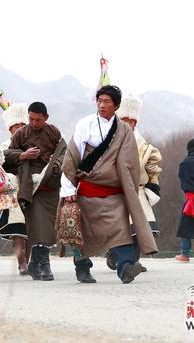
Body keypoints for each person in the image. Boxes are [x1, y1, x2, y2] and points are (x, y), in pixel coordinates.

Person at [60, 85, 157, 284]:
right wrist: (68, 188)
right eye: (99, 101)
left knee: (120, 230)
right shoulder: (85, 124)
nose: (101, 105)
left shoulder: (124, 130)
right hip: (87, 189)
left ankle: (126, 268)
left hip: (114, 192)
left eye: (106, 101)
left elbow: (129, 163)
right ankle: (83, 268)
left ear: (116, 106)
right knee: (83, 233)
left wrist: (129, 188)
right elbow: (72, 157)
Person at [6, 102, 67, 281]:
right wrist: (23, 155)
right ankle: (45, 266)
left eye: (38, 120)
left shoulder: (53, 132)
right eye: (31, 119)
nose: (33, 123)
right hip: (30, 187)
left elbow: (63, 152)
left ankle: (34, 265)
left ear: (46, 117)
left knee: (47, 226)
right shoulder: (21, 133)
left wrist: (56, 163)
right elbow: (6, 155)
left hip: (50, 186)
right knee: (38, 225)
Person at [106, 94, 162, 271]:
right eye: (125, 120)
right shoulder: (107, 140)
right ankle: (117, 255)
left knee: (140, 229)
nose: (129, 123)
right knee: (121, 228)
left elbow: (152, 168)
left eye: (132, 121)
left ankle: (132, 261)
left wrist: (153, 185)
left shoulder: (143, 145)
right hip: (116, 191)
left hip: (138, 192)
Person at [0, 103, 30, 275]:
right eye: (16, 126)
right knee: (18, 229)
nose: (20, 128)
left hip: (33, 191)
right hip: (13, 193)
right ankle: (22, 263)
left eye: (23, 125)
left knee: (31, 229)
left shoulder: (34, 142)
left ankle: (29, 261)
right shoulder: (3, 146)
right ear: (10, 128)